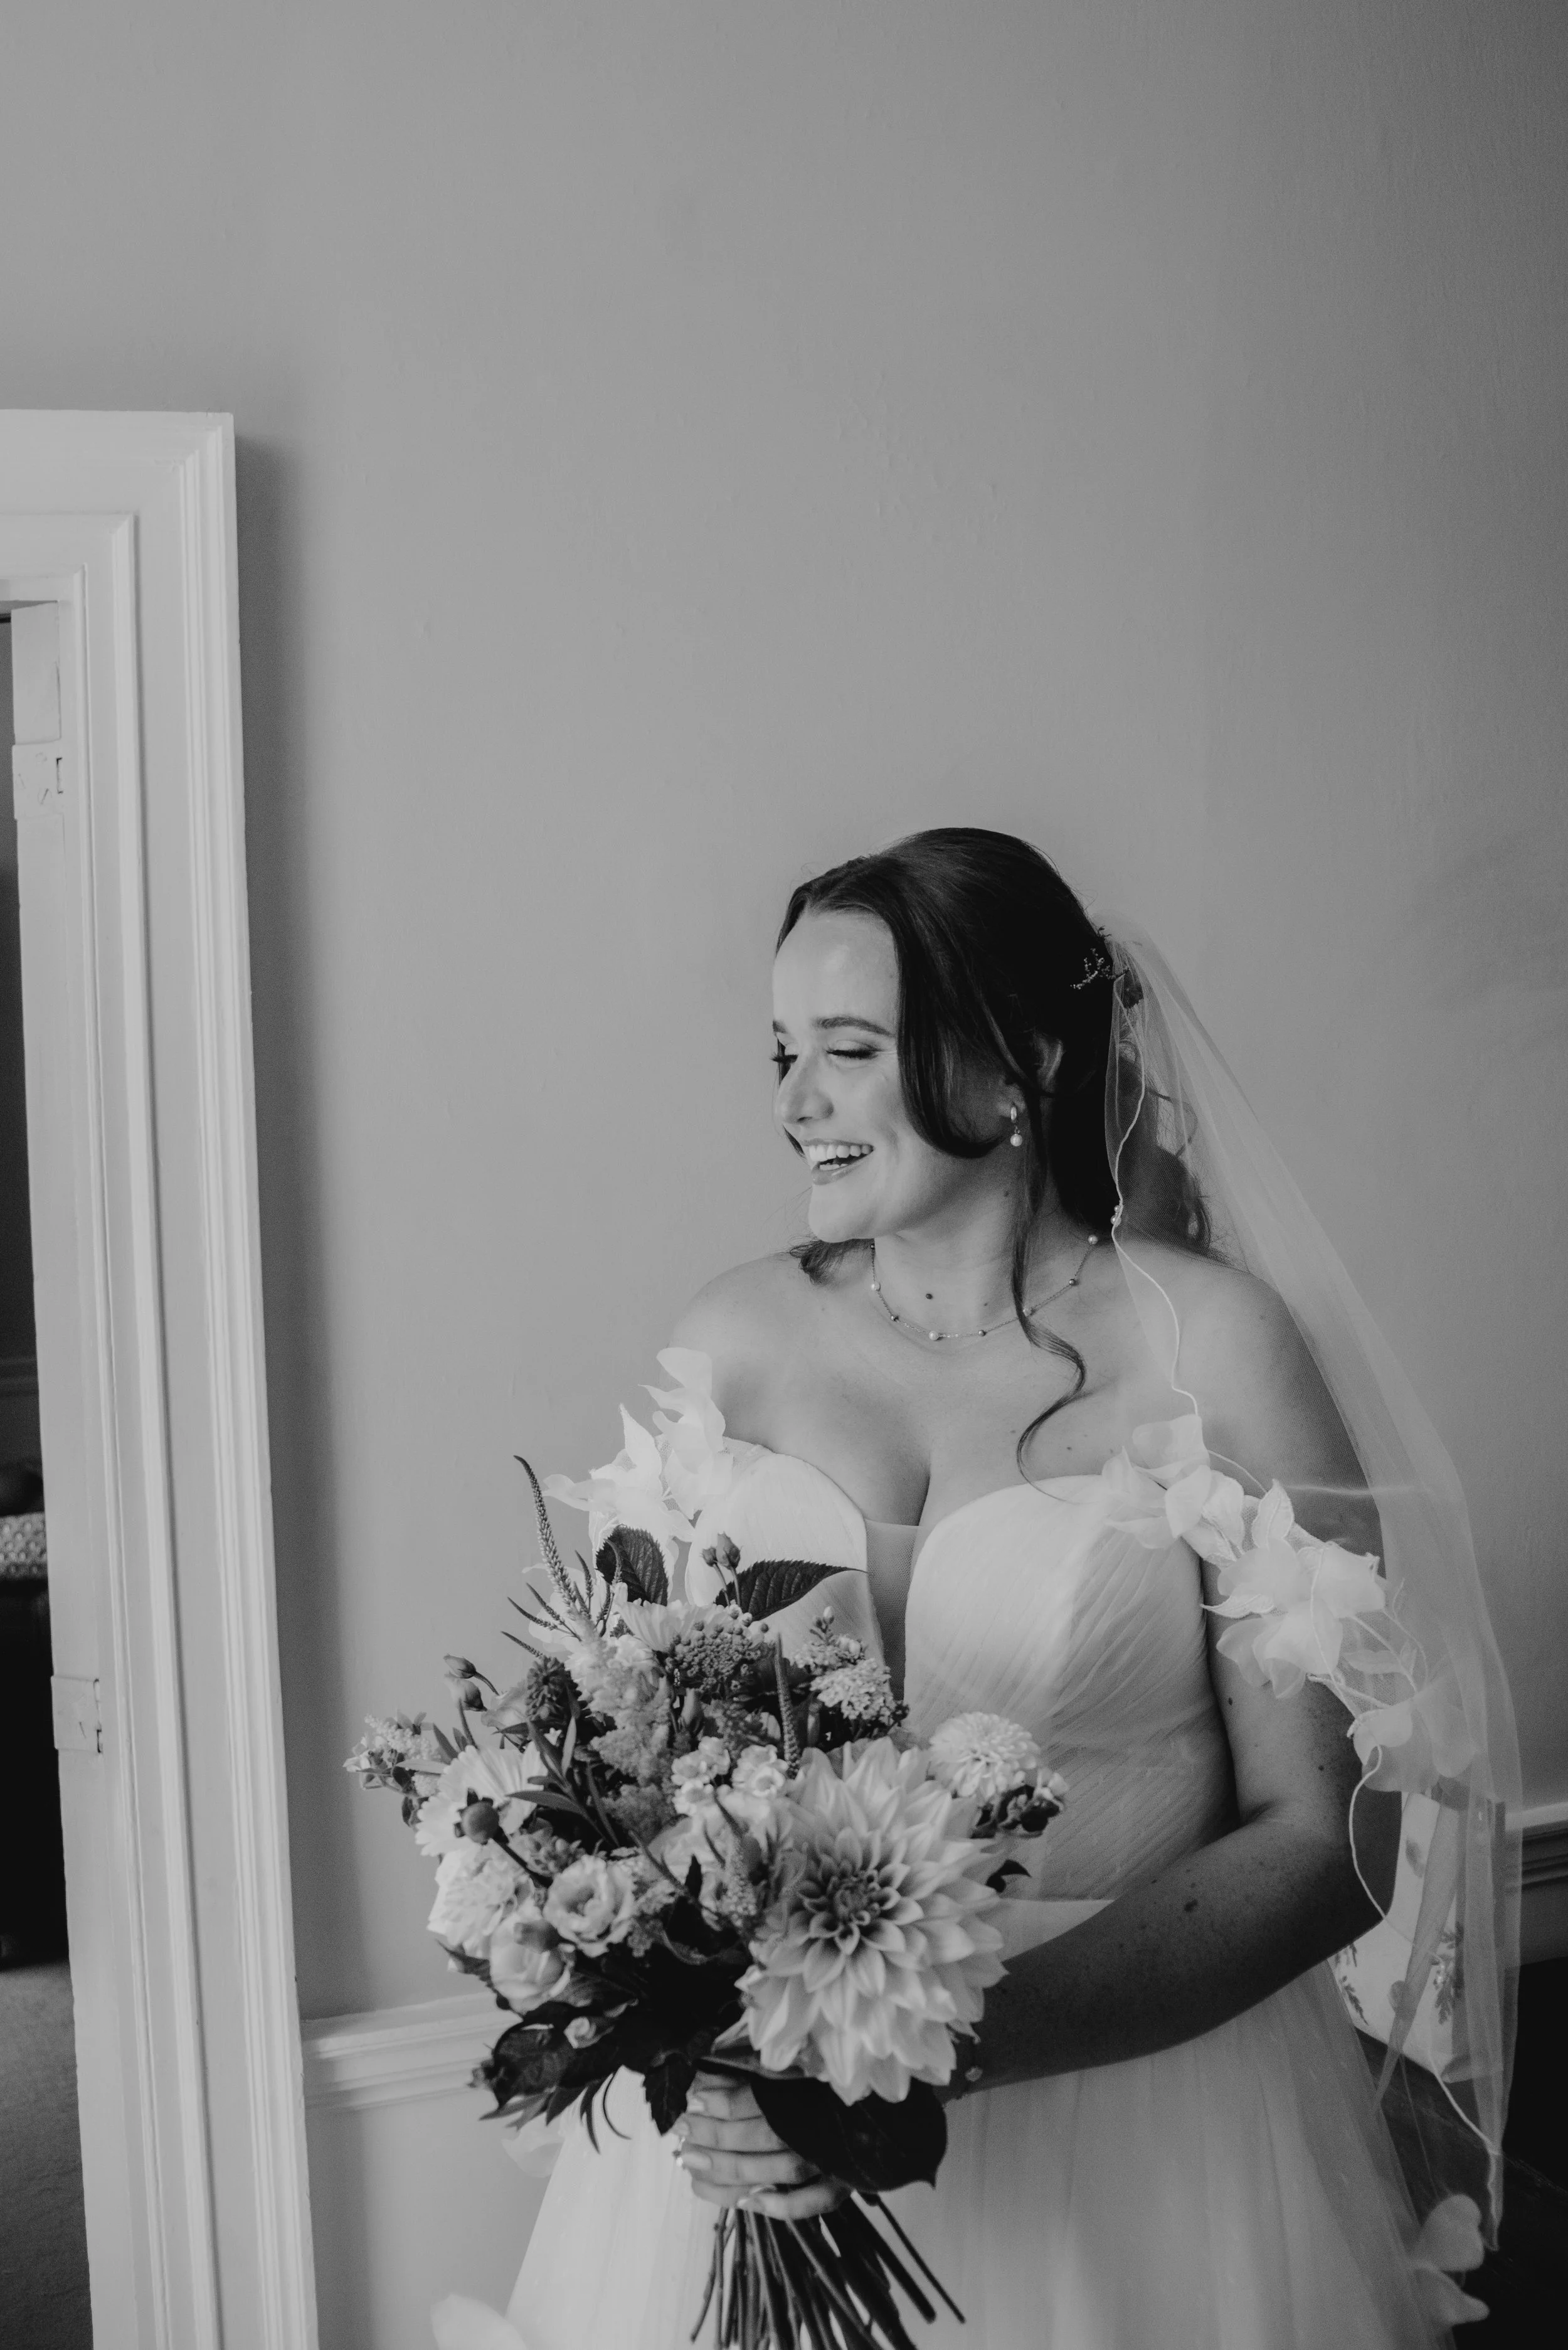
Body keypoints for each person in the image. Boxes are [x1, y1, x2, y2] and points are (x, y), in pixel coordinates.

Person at [456, 827, 1516, 2350]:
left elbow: (1326, 1844)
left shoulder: (1212, 1352)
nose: (792, 1102)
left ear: (1019, 1059)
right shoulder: (730, 1339)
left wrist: (930, 2055)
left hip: (1138, 2133)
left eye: (846, 1050)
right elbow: (639, 1742)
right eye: (780, 1052)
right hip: (751, 2136)